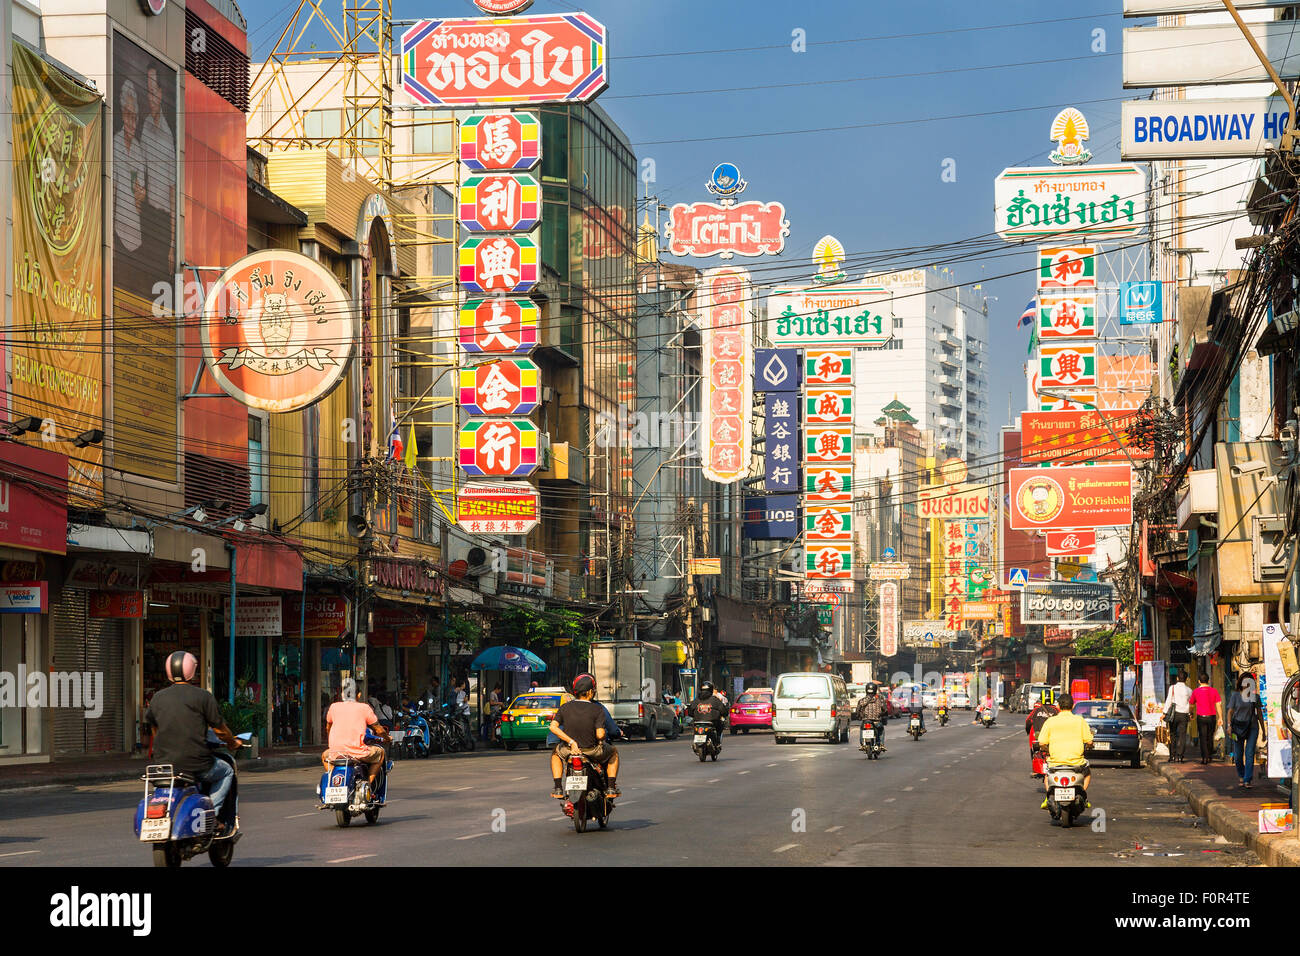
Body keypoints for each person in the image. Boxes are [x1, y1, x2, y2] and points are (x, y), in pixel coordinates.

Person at [142, 651, 243, 833]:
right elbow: (220, 729)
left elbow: (153, 729)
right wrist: (232, 742)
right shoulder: (203, 697)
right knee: (227, 770)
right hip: (197, 764)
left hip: (163, 766)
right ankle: (211, 815)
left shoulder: (157, 698)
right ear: (192, 670)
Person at [549, 674, 621, 799]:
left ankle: (558, 788)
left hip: (569, 750)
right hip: (592, 751)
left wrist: (571, 742)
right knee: (613, 752)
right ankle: (610, 787)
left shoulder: (565, 707)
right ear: (589, 692)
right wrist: (602, 736)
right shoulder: (597, 709)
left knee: (555, 754)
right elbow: (600, 734)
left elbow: (553, 727)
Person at [322, 679, 391, 793]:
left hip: (336, 752)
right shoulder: (364, 708)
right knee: (381, 753)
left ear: (342, 695)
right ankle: (368, 784)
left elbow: (328, 727)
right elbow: (378, 729)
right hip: (357, 752)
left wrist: (332, 743)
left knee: (325, 756)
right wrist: (387, 738)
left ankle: (334, 780)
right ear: (359, 695)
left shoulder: (333, 707)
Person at [1036, 694, 1093, 808]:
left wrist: (1046, 750)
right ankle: (1083, 796)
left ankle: (1048, 797)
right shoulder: (1080, 720)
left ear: (1058, 706)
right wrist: (1088, 746)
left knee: (1047, 775)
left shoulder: (1050, 721)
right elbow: (1089, 741)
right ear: (1073, 706)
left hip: (1055, 762)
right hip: (1076, 763)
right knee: (1087, 774)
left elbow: (1041, 742)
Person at [1227, 673, 1266, 788]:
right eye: (1244, 682)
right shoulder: (1235, 696)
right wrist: (1229, 726)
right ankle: (1242, 774)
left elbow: (1259, 714)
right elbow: (1230, 712)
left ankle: (1247, 780)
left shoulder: (1255, 697)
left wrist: (1264, 731)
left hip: (1252, 728)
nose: (1246, 685)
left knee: (1249, 753)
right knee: (1238, 756)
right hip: (1237, 728)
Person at [1189, 671, 1224, 765]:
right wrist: (1220, 717)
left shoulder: (1196, 691)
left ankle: (1205, 758)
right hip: (1211, 717)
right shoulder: (1214, 691)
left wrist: (1191, 713)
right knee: (1209, 736)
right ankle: (1209, 756)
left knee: (1203, 737)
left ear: (1199, 681)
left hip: (1201, 717)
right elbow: (1218, 704)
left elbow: (1191, 704)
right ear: (1208, 681)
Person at [686, 681, 729, 749]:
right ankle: (717, 742)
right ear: (711, 690)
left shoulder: (696, 700)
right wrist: (724, 714)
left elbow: (690, 711)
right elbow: (723, 711)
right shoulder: (715, 700)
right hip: (711, 722)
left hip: (697, 722)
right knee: (720, 725)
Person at [1161, 669, 1192, 763]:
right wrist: (1191, 714)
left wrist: (1164, 713)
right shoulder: (1189, 690)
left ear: (1178, 678)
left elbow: (1168, 701)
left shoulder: (1172, 688)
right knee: (1182, 736)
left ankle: (1172, 755)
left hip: (1174, 714)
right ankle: (1180, 756)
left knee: (1173, 734)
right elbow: (1191, 704)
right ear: (1186, 679)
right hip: (1184, 715)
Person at [1024, 695, 1060, 775]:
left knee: (1034, 750)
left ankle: (1035, 769)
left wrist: (1027, 731)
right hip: (1053, 738)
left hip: (1037, 738)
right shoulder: (1057, 711)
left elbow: (1028, 721)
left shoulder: (1036, 710)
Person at [855, 682, 888, 751]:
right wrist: (882, 715)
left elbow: (858, 710)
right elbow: (885, 710)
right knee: (881, 730)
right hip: (877, 722)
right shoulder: (880, 700)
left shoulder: (862, 700)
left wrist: (859, 716)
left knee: (862, 728)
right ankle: (881, 744)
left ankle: (862, 744)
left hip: (866, 721)